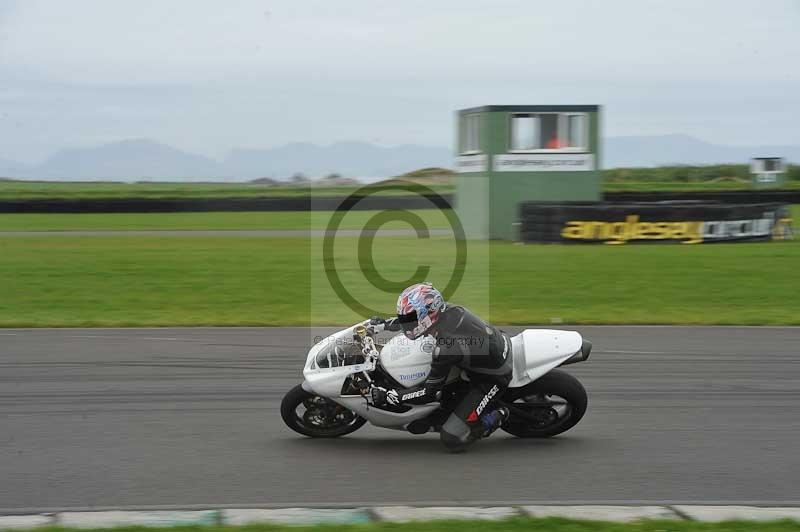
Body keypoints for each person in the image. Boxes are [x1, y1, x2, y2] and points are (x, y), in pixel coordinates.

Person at [369, 282, 511, 452]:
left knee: (452, 437)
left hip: (493, 377)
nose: (406, 323)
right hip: (492, 347)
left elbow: (429, 392)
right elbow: (414, 323)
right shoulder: (447, 310)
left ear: (428, 315)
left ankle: (500, 414)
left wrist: (392, 396)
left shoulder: (445, 348)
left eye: (410, 319)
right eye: (405, 319)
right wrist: (384, 325)